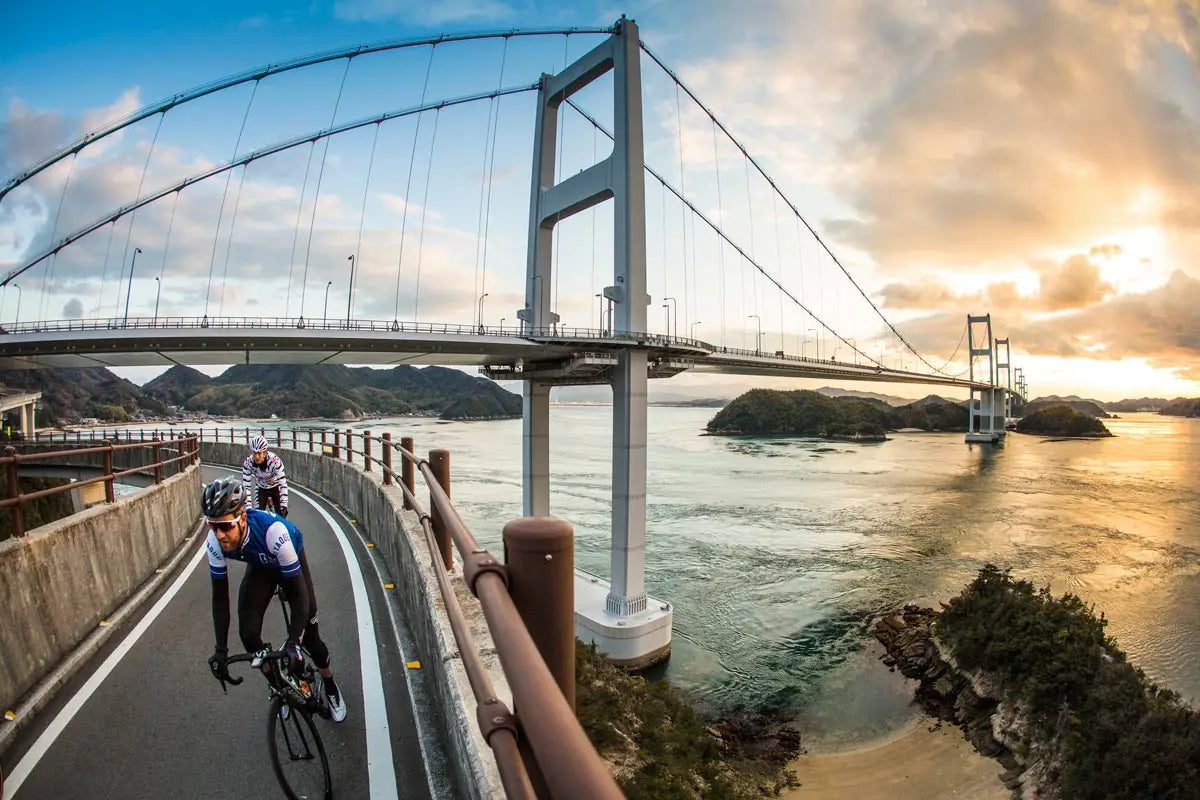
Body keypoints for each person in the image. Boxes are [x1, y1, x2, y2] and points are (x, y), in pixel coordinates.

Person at [203, 477, 347, 723]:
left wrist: (293, 642)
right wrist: (220, 650)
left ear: (243, 519)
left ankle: (330, 684)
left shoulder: (274, 533)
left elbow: (299, 594)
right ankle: (278, 685)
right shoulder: (214, 542)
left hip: (290, 562)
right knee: (248, 634)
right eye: (212, 525)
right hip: (261, 568)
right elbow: (219, 597)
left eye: (225, 526)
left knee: (311, 639)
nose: (219, 534)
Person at [242, 435, 289, 517]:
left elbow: (283, 484)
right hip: (261, 487)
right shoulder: (248, 463)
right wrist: (248, 507)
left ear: (265, 452)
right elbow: (246, 486)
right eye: (254, 453)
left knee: (282, 516)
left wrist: (284, 505)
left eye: (259, 453)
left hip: (275, 487)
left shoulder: (275, 461)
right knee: (257, 517)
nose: (256, 457)